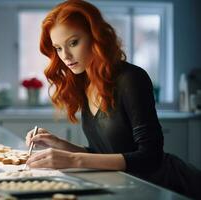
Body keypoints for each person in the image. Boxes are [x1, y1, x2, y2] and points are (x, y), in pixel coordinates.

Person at [24, 0, 201, 198]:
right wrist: (59, 144)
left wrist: (73, 160)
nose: (65, 56)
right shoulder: (83, 84)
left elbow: (150, 157)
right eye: (58, 48)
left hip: (169, 187)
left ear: (95, 37)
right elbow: (104, 154)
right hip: (128, 186)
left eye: (73, 42)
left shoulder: (131, 78)